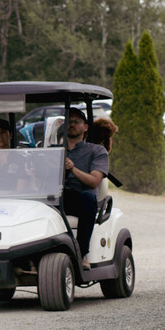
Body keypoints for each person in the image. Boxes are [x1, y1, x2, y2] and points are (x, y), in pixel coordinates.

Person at [63, 108, 109, 270]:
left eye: (76, 122)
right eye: (68, 122)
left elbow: (94, 181)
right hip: (58, 197)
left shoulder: (96, 151)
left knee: (88, 198)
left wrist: (72, 168)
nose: (72, 125)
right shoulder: (55, 150)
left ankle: (81, 253)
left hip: (81, 200)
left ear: (85, 127)